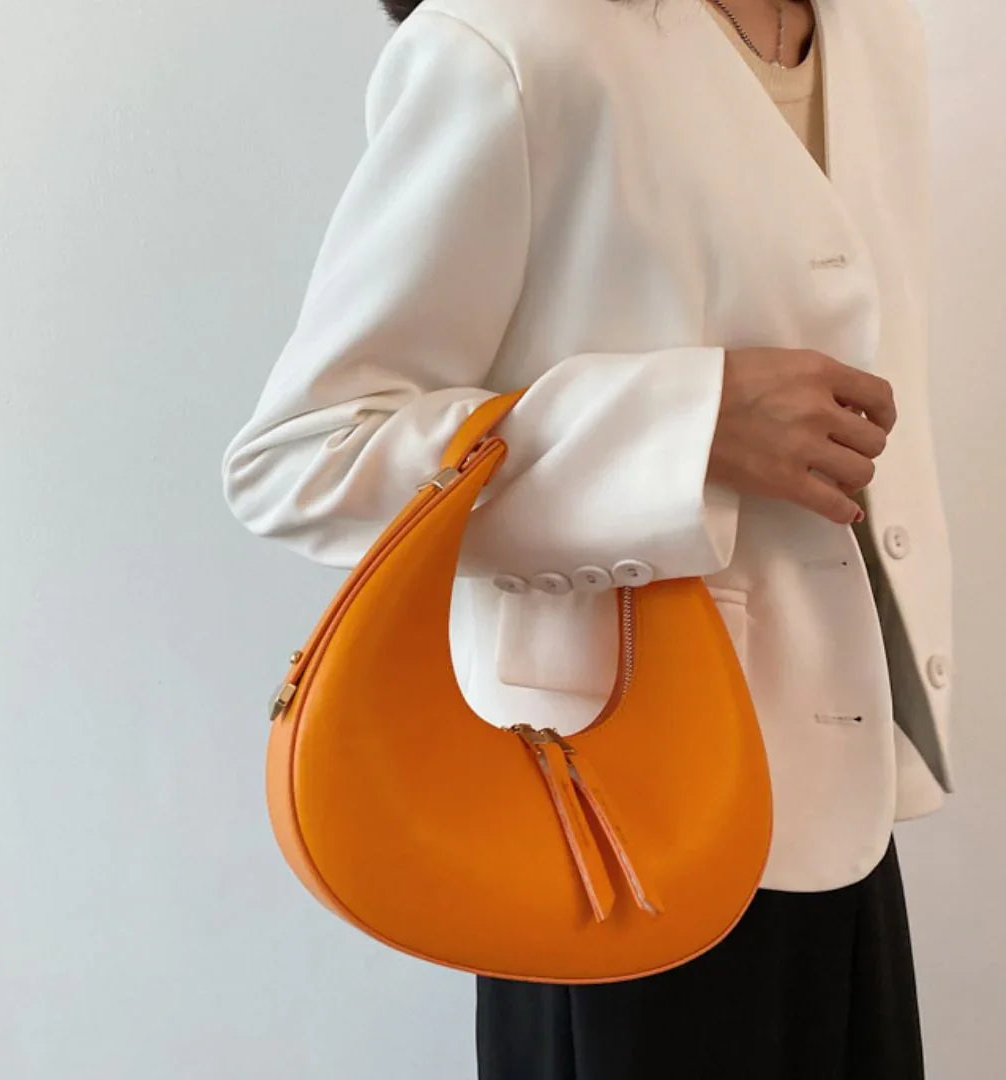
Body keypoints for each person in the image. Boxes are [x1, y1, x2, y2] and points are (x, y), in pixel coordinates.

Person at [220, 0, 955, 1074]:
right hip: (608, 820)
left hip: (842, 797)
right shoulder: (515, 43)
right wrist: (687, 426)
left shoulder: (874, 30)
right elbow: (307, 456)